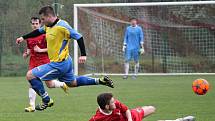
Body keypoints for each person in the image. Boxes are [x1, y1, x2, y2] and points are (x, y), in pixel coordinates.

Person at [16, 6, 114, 111]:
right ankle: (100, 80)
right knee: (72, 83)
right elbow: (38, 32)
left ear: (49, 16)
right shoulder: (48, 26)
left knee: (30, 75)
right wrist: (23, 37)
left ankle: (46, 100)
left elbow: (79, 37)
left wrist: (83, 54)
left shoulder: (63, 26)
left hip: (59, 64)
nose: (42, 22)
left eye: (43, 19)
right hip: (66, 62)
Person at [23, 17, 69, 112]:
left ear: (40, 24)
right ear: (31, 24)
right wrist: (26, 53)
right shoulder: (29, 37)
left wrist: (40, 50)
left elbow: (53, 48)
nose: (35, 25)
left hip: (45, 61)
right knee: (31, 83)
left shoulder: (45, 34)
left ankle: (61, 84)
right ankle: (32, 106)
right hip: (33, 61)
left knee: (50, 84)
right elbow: (29, 49)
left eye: (36, 23)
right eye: (33, 24)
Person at [89, 93, 156, 121]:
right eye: (112, 102)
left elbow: (126, 110)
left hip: (131, 116)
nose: (115, 102)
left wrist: (130, 120)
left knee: (152, 109)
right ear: (107, 106)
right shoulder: (97, 118)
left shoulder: (116, 103)